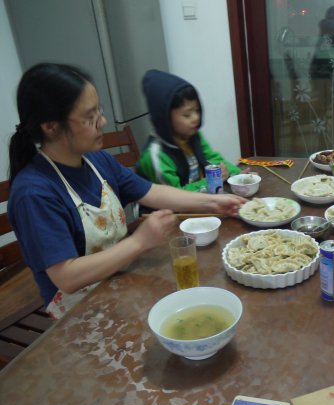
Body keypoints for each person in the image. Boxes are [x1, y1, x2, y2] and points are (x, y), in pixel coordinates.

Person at [8, 63, 246, 320]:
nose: (103, 121)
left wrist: (214, 203)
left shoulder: (97, 161)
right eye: (90, 117)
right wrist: (138, 242)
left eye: (99, 110)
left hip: (120, 281)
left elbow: (152, 192)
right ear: (50, 126)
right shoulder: (34, 193)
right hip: (79, 312)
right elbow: (66, 276)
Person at [137, 69, 247, 192]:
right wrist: (212, 180)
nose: (195, 118)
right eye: (187, 115)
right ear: (165, 118)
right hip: (171, 209)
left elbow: (212, 159)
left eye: (197, 110)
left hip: (197, 200)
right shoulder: (155, 156)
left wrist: (238, 175)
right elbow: (174, 197)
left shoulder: (192, 135)